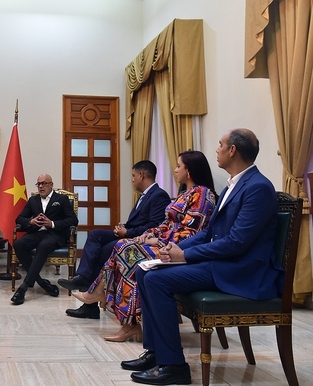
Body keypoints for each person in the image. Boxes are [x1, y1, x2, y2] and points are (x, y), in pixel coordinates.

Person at [121, 129, 282, 385]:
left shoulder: (258, 188)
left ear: (233, 151)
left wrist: (184, 254)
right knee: (144, 270)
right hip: (222, 262)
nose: (216, 149)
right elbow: (210, 231)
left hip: (240, 270)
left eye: (220, 145)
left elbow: (237, 243)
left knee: (156, 280)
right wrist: (174, 247)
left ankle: (174, 366)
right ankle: (156, 351)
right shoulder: (235, 184)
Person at [74, 150, 216, 343]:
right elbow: (167, 224)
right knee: (124, 248)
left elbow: (193, 232)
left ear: (188, 171)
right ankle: (122, 316)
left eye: (178, 166)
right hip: (165, 243)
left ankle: (106, 300)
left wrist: (158, 241)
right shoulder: (185, 194)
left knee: (127, 251)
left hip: (177, 251)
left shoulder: (202, 194)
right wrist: (152, 234)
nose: (175, 170)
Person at [59, 160, 170, 319]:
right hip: (129, 233)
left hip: (139, 240)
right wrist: (122, 228)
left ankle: (89, 304)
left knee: (102, 253)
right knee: (95, 234)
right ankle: (82, 277)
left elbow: (154, 226)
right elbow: (138, 221)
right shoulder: (143, 196)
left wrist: (127, 232)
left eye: (133, 176)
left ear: (141, 175)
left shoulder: (159, 195)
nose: (132, 179)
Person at [11, 174, 79, 305]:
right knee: (19, 244)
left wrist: (52, 223)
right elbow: (19, 219)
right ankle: (42, 283)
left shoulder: (62, 199)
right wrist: (31, 221)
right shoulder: (33, 200)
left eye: (44, 183)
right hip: (37, 233)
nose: (41, 186)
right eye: (39, 184)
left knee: (43, 245)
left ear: (51, 185)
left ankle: (23, 288)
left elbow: (73, 220)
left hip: (55, 234)